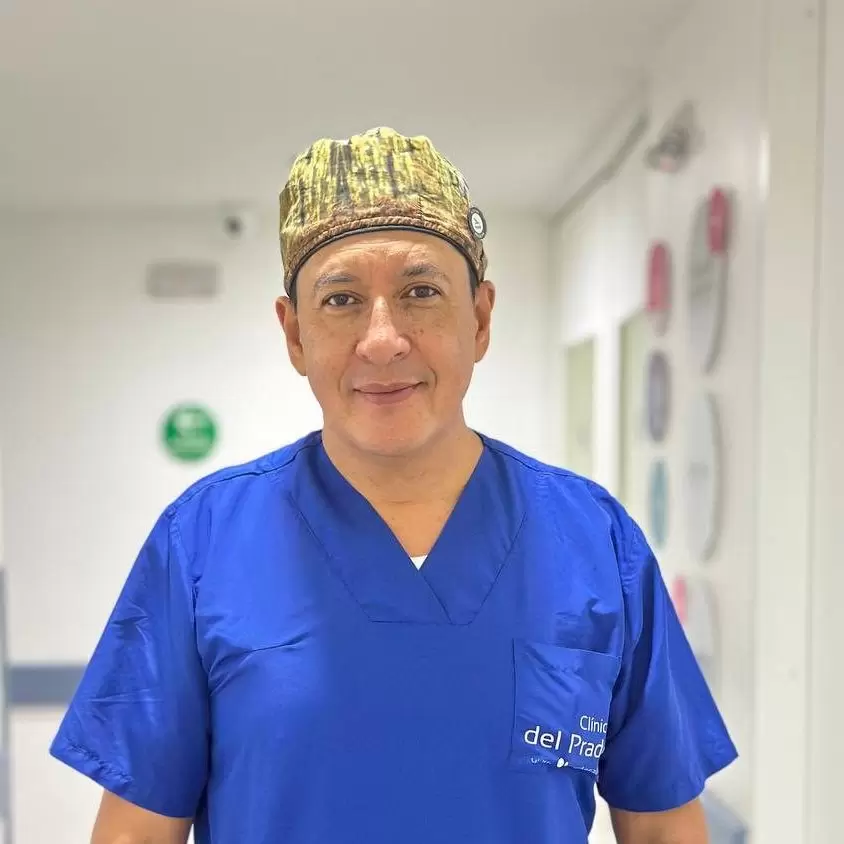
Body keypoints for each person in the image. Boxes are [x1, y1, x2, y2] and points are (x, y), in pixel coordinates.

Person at [50, 127, 737, 844]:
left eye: (420, 292)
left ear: (480, 318)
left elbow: (663, 828)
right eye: (341, 299)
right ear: (294, 334)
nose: (382, 340)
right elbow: (135, 834)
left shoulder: (594, 542)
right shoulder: (202, 544)